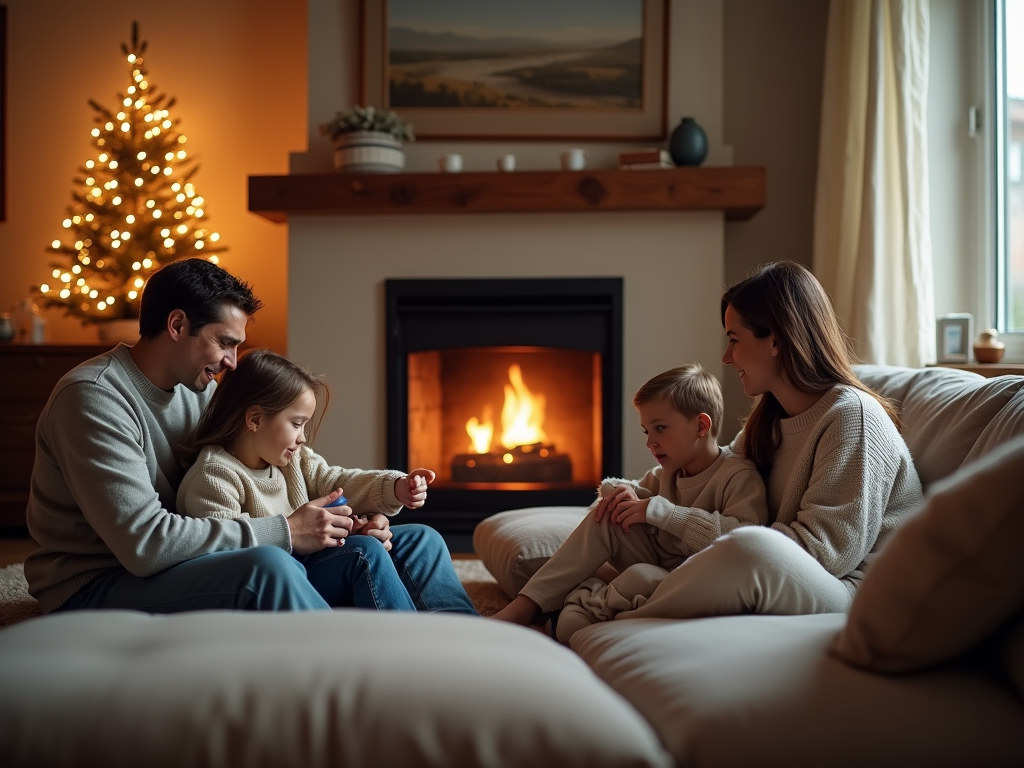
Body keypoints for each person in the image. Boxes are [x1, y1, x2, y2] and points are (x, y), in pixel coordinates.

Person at [24, 258, 475, 616]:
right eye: (225, 342)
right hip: (99, 583)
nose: (233, 362)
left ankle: (478, 650)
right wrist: (288, 530)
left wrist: (352, 522)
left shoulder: (197, 389)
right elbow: (146, 546)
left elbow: (285, 472)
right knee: (270, 565)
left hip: (178, 564)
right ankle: (353, 671)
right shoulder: (94, 399)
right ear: (178, 325)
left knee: (413, 539)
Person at [594, 260, 924, 627]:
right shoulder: (767, 418)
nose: (725, 357)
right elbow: (715, 474)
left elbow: (827, 555)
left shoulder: (852, 417)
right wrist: (640, 498)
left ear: (777, 340)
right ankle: (598, 598)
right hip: (788, 572)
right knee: (624, 516)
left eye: (734, 340)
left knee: (748, 547)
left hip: (854, 589)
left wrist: (703, 533)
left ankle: (619, 612)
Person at [176, 348, 475, 613]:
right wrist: (318, 538)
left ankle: (469, 633)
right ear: (254, 419)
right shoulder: (214, 475)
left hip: (312, 561)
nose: (302, 437)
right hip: (287, 581)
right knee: (363, 553)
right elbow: (227, 554)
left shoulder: (293, 459)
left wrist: (395, 488)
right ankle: (415, 649)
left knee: (423, 539)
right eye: (296, 424)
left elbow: (337, 481)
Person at [491, 363, 769, 641]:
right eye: (647, 432)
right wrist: (618, 493)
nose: (651, 443)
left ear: (700, 425)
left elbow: (744, 543)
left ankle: (588, 605)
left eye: (660, 428)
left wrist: (663, 513)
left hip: (692, 582)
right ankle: (526, 606)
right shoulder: (667, 473)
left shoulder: (737, 475)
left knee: (629, 583)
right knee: (612, 511)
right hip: (656, 564)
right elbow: (620, 505)